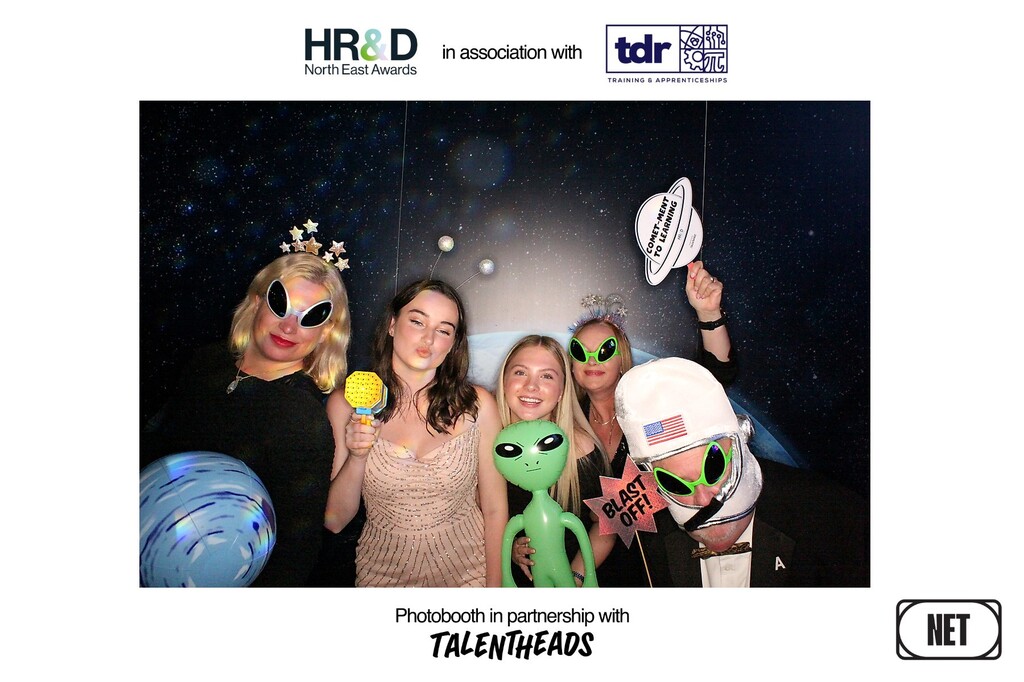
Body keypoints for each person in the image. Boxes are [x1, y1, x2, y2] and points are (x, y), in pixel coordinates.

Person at [514, 261, 734, 586]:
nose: (592, 360)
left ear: (622, 359)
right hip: (588, 573)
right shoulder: (558, 425)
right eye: (580, 352)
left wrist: (709, 313)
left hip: (657, 567)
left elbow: (715, 378)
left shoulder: (653, 412)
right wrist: (519, 544)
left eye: (605, 350)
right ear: (571, 365)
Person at [141, 252, 351, 587]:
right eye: (279, 304)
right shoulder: (206, 362)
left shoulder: (300, 418)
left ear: (326, 332)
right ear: (256, 302)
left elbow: (295, 552)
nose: (289, 327)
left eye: (311, 317)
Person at [615, 357, 869, 587]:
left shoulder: (836, 521)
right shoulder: (645, 543)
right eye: (675, 483)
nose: (703, 499)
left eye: (713, 466)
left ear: (741, 440)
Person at [323, 279, 507, 587]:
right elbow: (335, 520)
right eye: (418, 321)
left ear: (454, 343)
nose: (428, 338)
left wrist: (494, 592)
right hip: (382, 579)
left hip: (470, 577)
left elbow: (494, 508)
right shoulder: (347, 403)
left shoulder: (478, 406)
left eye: (444, 330)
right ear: (392, 325)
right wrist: (357, 457)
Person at [495, 335, 610, 587]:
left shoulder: (582, 450)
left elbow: (606, 525)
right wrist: (508, 546)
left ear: (562, 391)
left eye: (546, 376)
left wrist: (576, 577)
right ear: (504, 381)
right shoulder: (488, 446)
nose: (531, 386)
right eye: (520, 372)